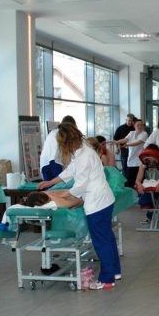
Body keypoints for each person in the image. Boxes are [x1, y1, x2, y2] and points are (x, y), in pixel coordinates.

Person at [38, 123, 120, 290]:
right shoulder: (82, 148)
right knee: (107, 238)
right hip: (103, 200)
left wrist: (64, 194)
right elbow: (70, 171)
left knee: (101, 241)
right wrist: (50, 182)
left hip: (97, 203)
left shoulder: (84, 155)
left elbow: (80, 185)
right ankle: (114, 272)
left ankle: (107, 279)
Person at [112, 118, 147, 188]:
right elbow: (125, 139)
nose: (140, 126)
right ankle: (132, 193)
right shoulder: (131, 133)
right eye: (138, 125)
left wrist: (127, 144)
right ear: (134, 126)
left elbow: (137, 143)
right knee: (130, 181)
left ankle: (140, 193)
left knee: (140, 182)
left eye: (141, 125)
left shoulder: (144, 133)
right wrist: (117, 142)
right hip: (131, 161)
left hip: (140, 162)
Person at [40, 115, 76, 181]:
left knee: (49, 184)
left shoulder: (53, 132)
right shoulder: (61, 134)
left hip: (46, 163)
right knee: (57, 184)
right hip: (54, 162)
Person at [113, 114, 135, 178]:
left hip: (134, 151)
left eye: (131, 121)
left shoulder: (135, 128)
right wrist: (116, 148)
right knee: (125, 168)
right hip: (124, 151)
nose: (130, 122)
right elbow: (115, 139)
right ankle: (125, 182)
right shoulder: (120, 128)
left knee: (133, 169)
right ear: (126, 120)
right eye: (129, 120)